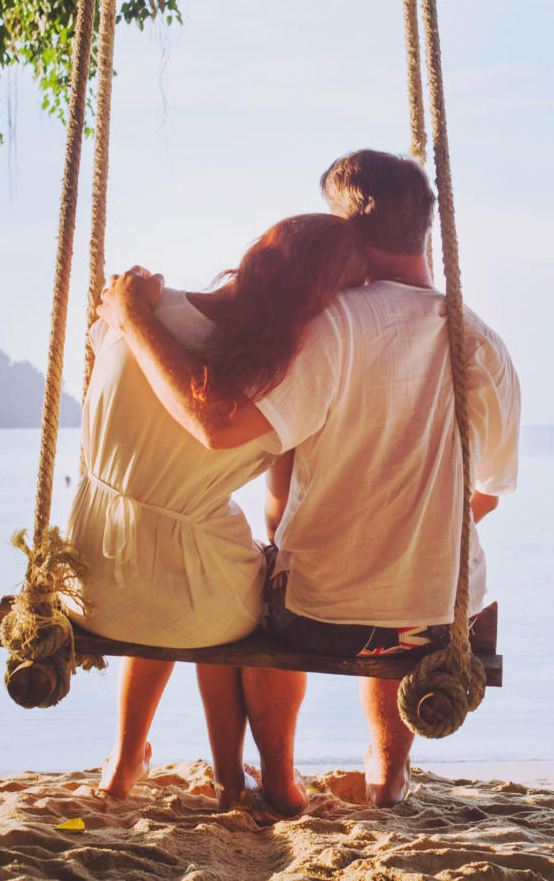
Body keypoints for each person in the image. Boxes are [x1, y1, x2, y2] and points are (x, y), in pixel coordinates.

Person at [97, 148, 521, 809]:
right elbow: (488, 491)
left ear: (346, 227)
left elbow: (238, 444)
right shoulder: (484, 343)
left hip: (317, 618)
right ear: (425, 229)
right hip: (437, 621)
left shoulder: (329, 330)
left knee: (266, 593)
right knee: (394, 594)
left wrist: (135, 315)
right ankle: (386, 772)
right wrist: (410, 532)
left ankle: (278, 776)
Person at [63, 213, 368, 801]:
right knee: (228, 580)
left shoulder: (129, 312)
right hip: (190, 597)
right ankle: (232, 776)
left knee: (180, 559)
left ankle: (125, 761)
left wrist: (132, 311)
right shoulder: (278, 383)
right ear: (324, 303)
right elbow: (278, 516)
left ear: (256, 255)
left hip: (85, 577)